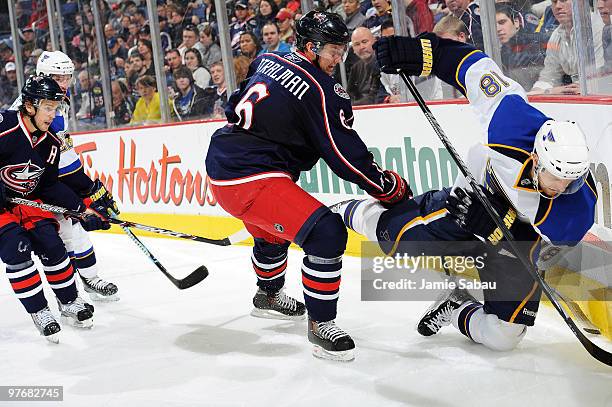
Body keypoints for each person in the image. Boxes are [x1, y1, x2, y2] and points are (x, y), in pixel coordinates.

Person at [333, 32, 597, 353]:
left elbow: (544, 254)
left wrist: (503, 230)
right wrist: (423, 53)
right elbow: (475, 68)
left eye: (570, 181)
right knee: (396, 236)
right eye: (555, 177)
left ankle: (457, 307)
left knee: (503, 338)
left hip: (517, 241)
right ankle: (345, 211)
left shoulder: (575, 213)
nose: (562, 188)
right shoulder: (513, 122)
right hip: (471, 202)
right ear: (537, 157)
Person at [205, 11, 411, 361]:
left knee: (272, 233)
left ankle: (268, 295)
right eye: (333, 50)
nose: (338, 58)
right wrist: (388, 188)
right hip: (253, 176)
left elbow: (235, 104)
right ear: (312, 46)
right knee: (326, 234)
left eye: (343, 50)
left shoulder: (267, 58)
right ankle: (321, 324)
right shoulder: (323, 89)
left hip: (221, 164)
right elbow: (344, 155)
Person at [0, 76, 111, 342]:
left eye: (56, 107)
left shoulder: (50, 143)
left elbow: (49, 185)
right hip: (2, 210)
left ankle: (69, 302)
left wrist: (81, 209)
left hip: (28, 202)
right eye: (48, 107)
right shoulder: (4, 128)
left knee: (53, 245)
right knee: (18, 251)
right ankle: (39, 311)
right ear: (29, 106)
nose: (53, 114)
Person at [10, 51, 122, 301]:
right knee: (64, 235)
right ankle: (70, 296)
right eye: (57, 77)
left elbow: (62, 151)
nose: (63, 83)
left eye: (67, 77)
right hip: (33, 183)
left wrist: (87, 187)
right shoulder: (35, 107)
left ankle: (87, 282)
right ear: (41, 76)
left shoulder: (56, 100)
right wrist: (88, 187)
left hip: (47, 176)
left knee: (74, 229)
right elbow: (57, 161)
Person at [529, 0, 605, 95]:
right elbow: (549, 77)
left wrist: (548, 91)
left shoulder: (598, 28)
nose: (558, 6)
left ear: (581, 2)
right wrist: (533, 93)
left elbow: (598, 78)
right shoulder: (556, 35)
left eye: (564, 0)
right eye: (554, 2)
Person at [347, 27, 381, 105]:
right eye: (357, 44)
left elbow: (375, 97)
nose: (362, 47)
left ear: (374, 41)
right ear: (353, 50)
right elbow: (349, 95)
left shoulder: (381, 62)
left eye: (364, 42)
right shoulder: (355, 68)